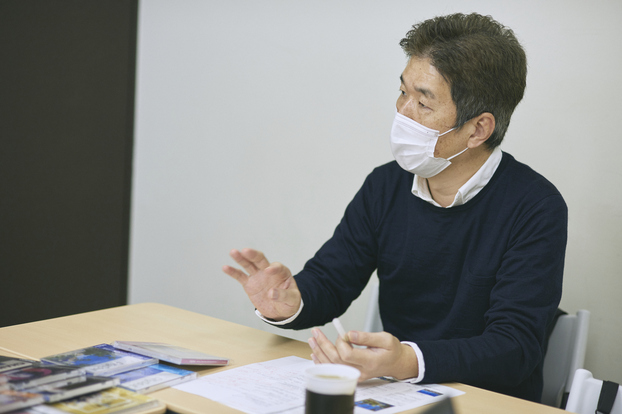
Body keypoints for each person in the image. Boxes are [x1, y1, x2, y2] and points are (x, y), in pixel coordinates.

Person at [223, 12, 567, 403]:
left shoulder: (535, 207)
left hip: (488, 403)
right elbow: (332, 280)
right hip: (397, 396)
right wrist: (289, 301)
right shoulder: (386, 185)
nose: (402, 111)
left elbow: (515, 348)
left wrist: (406, 360)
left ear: (478, 129)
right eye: (403, 92)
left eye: (423, 102)